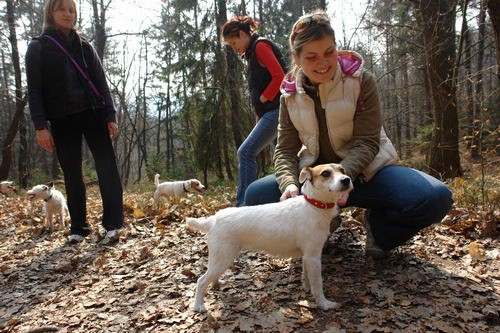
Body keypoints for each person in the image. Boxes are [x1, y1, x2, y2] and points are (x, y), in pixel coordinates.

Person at [244, 11, 453, 258]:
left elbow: (367, 141)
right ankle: (321, 226)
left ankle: (380, 229)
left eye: (329, 52)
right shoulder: (289, 95)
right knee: (255, 196)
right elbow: (286, 149)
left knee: (434, 198)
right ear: (297, 58)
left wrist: (341, 181)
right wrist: (289, 184)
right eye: (311, 57)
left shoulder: (361, 81)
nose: (323, 63)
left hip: (368, 173)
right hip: (316, 179)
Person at [26, 0, 123, 244]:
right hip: (61, 118)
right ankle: (79, 227)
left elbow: (101, 82)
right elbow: (34, 91)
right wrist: (40, 126)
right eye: (62, 9)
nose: (67, 14)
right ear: (51, 12)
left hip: (93, 113)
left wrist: (110, 115)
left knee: (107, 168)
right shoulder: (38, 48)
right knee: (72, 173)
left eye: (71, 10)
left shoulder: (84, 46)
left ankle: (112, 223)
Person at [222, 16, 287, 206]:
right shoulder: (252, 52)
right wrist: (260, 112)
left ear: (242, 34)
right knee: (282, 157)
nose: (234, 48)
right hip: (270, 112)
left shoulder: (260, 46)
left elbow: (279, 76)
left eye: (234, 42)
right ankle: (282, 201)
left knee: (245, 152)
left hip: (278, 110)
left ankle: (244, 205)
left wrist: (264, 98)